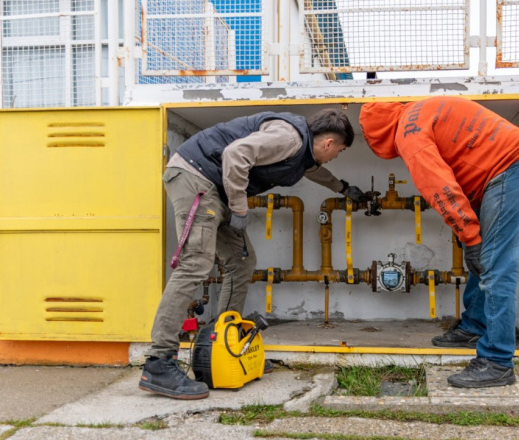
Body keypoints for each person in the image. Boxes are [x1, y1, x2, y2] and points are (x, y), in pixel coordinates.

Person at [140, 109, 364, 399]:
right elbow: (236, 154)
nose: (336, 156)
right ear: (329, 143)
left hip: (216, 188)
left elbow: (312, 171)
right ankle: (159, 362)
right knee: (195, 264)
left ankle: (220, 346)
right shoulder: (289, 137)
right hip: (196, 178)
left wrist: (342, 188)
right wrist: (239, 207)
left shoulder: (302, 152)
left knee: (242, 262)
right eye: (340, 150)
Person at [359, 96, 519, 388]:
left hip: (514, 169)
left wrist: (470, 237)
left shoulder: (408, 135)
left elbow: (440, 189)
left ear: (377, 135)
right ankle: (475, 326)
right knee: (482, 257)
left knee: (495, 266)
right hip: (513, 167)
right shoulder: (419, 111)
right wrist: (468, 234)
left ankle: (497, 362)